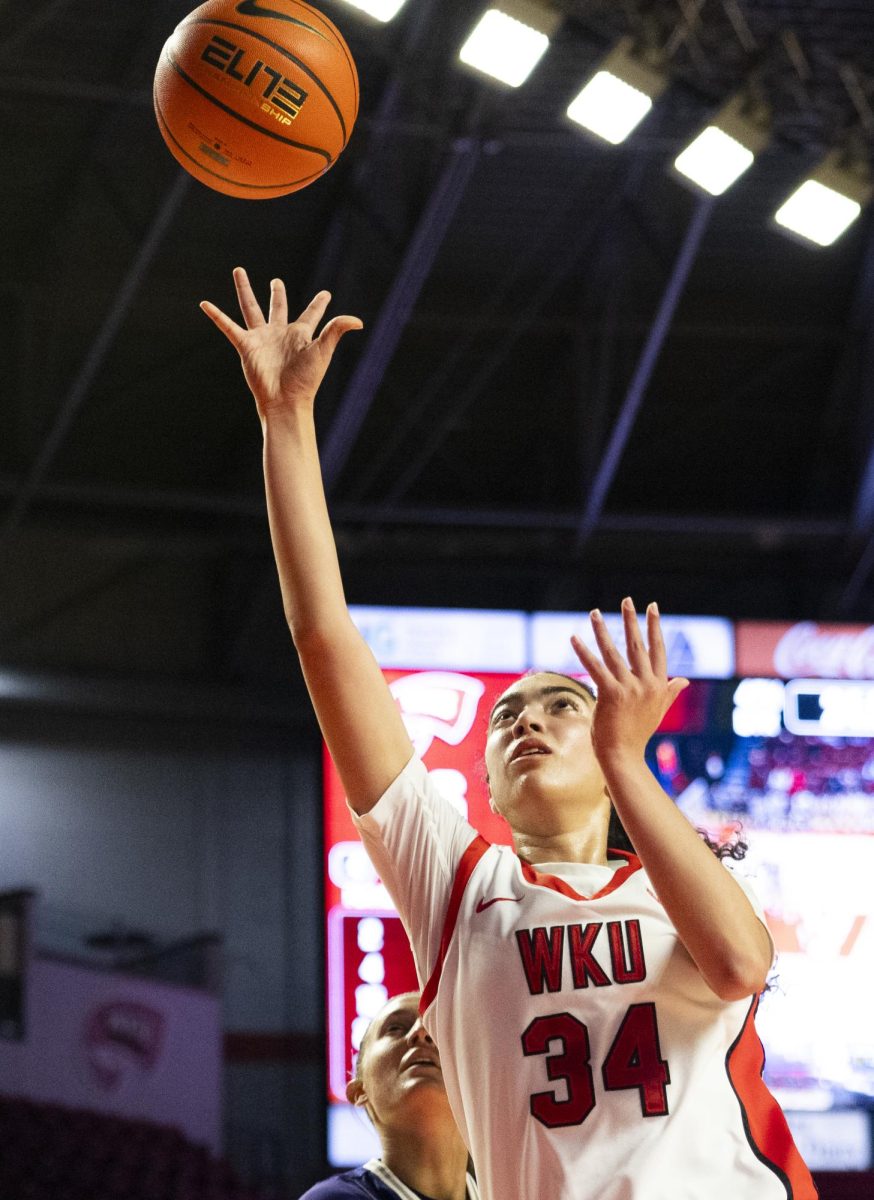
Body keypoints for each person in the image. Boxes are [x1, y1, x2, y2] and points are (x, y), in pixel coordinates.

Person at [201, 270, 818, 1200]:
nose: (526, 718)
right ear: (483, 784)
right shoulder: (455, 881)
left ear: (613, 774)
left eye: (560, 706)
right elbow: (323, 635)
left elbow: (737, 967)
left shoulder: (681, 878)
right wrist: (284, 420)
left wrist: (626, 758)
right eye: (505, 716)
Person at [299, 991, 478, 1200]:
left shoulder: (510, 1189)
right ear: (360, 1091)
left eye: (439, 1027)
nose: (421, 1031)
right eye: (395, 1028)